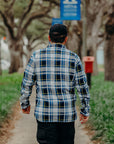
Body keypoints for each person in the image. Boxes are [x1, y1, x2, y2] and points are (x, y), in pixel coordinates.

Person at [20, 24, 90, 144]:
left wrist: (24, 103)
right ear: (66, 38)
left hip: (44, 115)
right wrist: (85, 110)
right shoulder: (74, 58)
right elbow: (82, 87)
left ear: (49, 38)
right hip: (67, 116)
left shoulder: (36, 56)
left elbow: (27, 84)